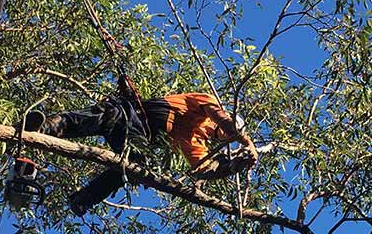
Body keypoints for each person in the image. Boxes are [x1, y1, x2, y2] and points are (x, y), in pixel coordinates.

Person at [19, 92, 258, 215]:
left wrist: (237, 164)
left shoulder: (196, 142)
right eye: (227, 133)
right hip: (133, 116)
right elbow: (225, 121)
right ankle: (43, 128)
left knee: (133, 168)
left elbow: (204, 170)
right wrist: (246, 142)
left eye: (226, 137)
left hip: (136, 138)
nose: (223, 135)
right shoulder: (206, 104)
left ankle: (84, 198)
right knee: (107, 116)